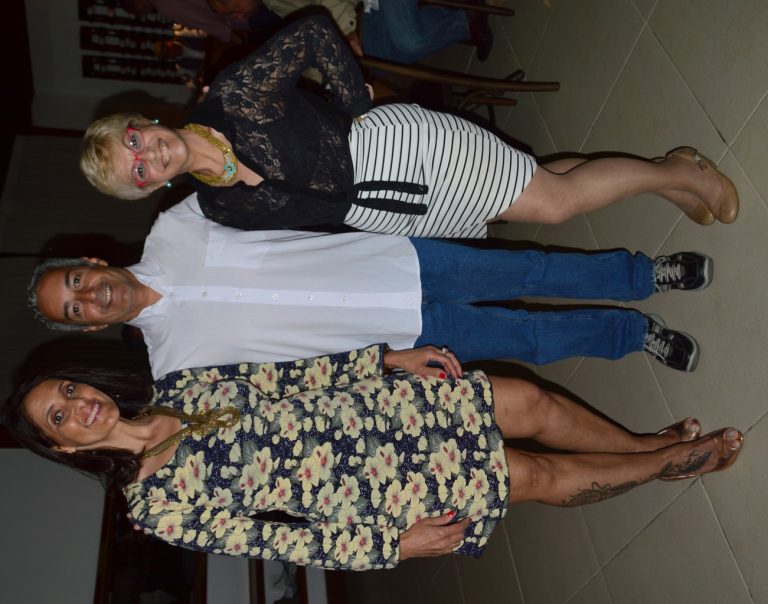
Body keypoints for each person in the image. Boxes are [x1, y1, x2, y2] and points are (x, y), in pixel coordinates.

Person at [4, 344, 743, 570]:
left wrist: (387, 361)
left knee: (530, 402)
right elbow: (278, 541)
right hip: (378, 486)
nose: (79, 404)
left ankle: (646, 444)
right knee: (534, 474)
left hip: (381, 409)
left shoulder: (176, 387)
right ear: (63, 446)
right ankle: (670, 465)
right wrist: (392, 545)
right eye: (59, 417)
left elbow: (287, 377)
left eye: (68, 389)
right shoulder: (153, 506)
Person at [80, 15, 738, 239]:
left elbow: (313, 32)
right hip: (382, 212)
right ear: (148, 188)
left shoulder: (232, 98)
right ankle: (667, 178)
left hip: (391, 149)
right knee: (527, 191)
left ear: (143, 122)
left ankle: (679, 173)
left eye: (133, 140)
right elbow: (305, 229)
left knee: (553, 204)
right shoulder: (219, 207)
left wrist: (355, 105)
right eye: (136, 171)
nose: (148, 155)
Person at [28, 194, 708, 378]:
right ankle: (632, 334)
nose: (89, 296)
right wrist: (387, 366)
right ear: (92, 326)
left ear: (90, 260)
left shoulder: (175, 227)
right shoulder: (174, 365)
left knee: (530, 268)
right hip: (398, 337)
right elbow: (290, 384)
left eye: (77, 281)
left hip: (397, 260)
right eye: (76, 309)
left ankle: (643, 275)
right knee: (524, 339)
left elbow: (251, 175)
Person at [260, 0, 494, 62]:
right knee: (379, 60)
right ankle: (464, 20)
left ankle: (465, 20)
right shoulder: (271, 5)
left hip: (359, 9)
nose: (241, 17)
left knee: (410, 41)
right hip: (362, 10)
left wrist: (344, 32)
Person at [118, 0, 255, 43]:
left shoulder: (166, 7)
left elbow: (207, 22)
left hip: (242, 11)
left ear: (139, 5)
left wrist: (242, 42)